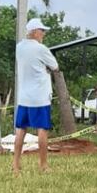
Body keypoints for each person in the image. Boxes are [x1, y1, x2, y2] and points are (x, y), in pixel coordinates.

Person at [13, 17, 59, 174]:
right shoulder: (41, 49)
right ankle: (43, 165)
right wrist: (45, 68)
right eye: (42, 30)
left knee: (20, 130)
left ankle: (16, 164)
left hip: (24, 97)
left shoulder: (19, 47)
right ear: (34, 32)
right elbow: (55, 66)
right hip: (40, 97)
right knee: (42, 130)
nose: (43, 33)